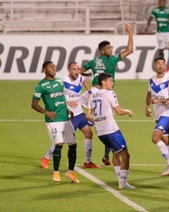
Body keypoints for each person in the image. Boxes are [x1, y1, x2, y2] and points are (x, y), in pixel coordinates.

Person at [79, 23, 133, 165]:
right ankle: (107, 154)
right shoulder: (112, 59)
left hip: (93, 92)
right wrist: (130, 33)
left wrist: (87, 74)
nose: (111, 49)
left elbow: (78, 71)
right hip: (103, 92)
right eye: (109, 48)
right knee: (109, 122)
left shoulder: (93, 61)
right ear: (103, 51)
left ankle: (102, 156)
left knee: (100, 120)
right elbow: (130, 50)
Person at [41, 62, 100, 169]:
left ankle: (87, 162)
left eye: (78, 69)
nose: (76, 71)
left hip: (79, 113)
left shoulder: (80, 77)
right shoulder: (63, 81)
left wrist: (90, 92)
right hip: (69, 114)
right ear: (69, 70)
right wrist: (68, 103)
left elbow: (84, 81)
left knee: (88, 133)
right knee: (61, 140)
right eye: (74, 69)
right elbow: (58, 96)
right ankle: (46, 157)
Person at [31, 61, 79, 183]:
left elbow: (62, 98)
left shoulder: (60, 82)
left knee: (73, 145)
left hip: (65, 118)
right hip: (53, 120)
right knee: (59, 144)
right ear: (44, 70)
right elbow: (34, 104)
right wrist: (46, 112)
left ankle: (71, 172)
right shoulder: (41, 86)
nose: (54, 68)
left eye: (54, 67)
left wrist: (68, 109)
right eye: (50, 67)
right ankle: (56, 173)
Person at [85, 73, 134, 189]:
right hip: (111, 129)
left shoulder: (92, 96)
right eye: (110, 81)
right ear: (103, 82)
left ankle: (120, 180)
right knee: (125, 154)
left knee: (115, 153)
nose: (112, 83)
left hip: (101, 133)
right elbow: (119, 111)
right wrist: (127, 111)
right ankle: (123, 183)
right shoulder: (110, 93)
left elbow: (88, 115)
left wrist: (97, 122)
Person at [145, 56, 169, 176]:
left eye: (162, 63)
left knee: (155, 138)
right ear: (155, 66)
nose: (160, 65)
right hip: (158, 115)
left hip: (167, 114)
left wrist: (159, 100)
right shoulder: (151, 80)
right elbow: (149, 94)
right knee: (165, 140)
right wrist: (146, 106)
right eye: (158, 63)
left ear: (165, 66)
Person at [145, 0, 169, 73]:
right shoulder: (155, 11)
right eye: (160, 2)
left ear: (165, 2)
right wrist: (147, 26)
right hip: (159, 33)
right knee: (161, 49)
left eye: (162, 2)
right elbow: (150, 19)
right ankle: (163, 67)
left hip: (168, 32)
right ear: (158, 2)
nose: (161, 3)